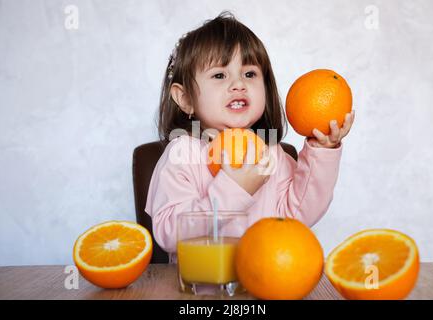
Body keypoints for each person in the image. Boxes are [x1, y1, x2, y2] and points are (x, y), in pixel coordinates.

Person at [145, 11, 354, 262]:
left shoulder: (270, 153)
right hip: (201, 291)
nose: (238, 84)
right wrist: (234, 189)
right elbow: (169, 234)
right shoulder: (182, 155)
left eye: (250, 74)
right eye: (220, 75)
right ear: (185, 99)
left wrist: (323, 149)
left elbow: (299, 213)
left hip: (266, 283)